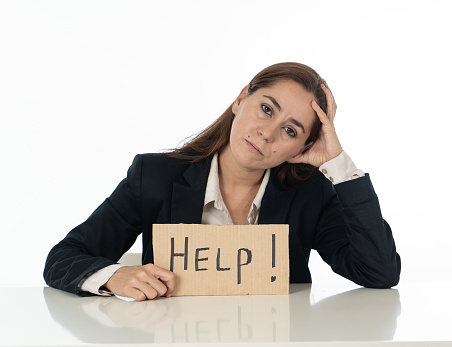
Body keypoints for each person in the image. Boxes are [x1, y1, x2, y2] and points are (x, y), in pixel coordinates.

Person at [44, 62, 401, 301]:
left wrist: (338, 165)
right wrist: (114, 276)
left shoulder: (312, 195)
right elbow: (63, 258)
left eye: (290, 130)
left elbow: (379, 272)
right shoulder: (154, 177)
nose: (266, 133)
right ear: (241, 98)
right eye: (266, 109)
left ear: (303, 146)